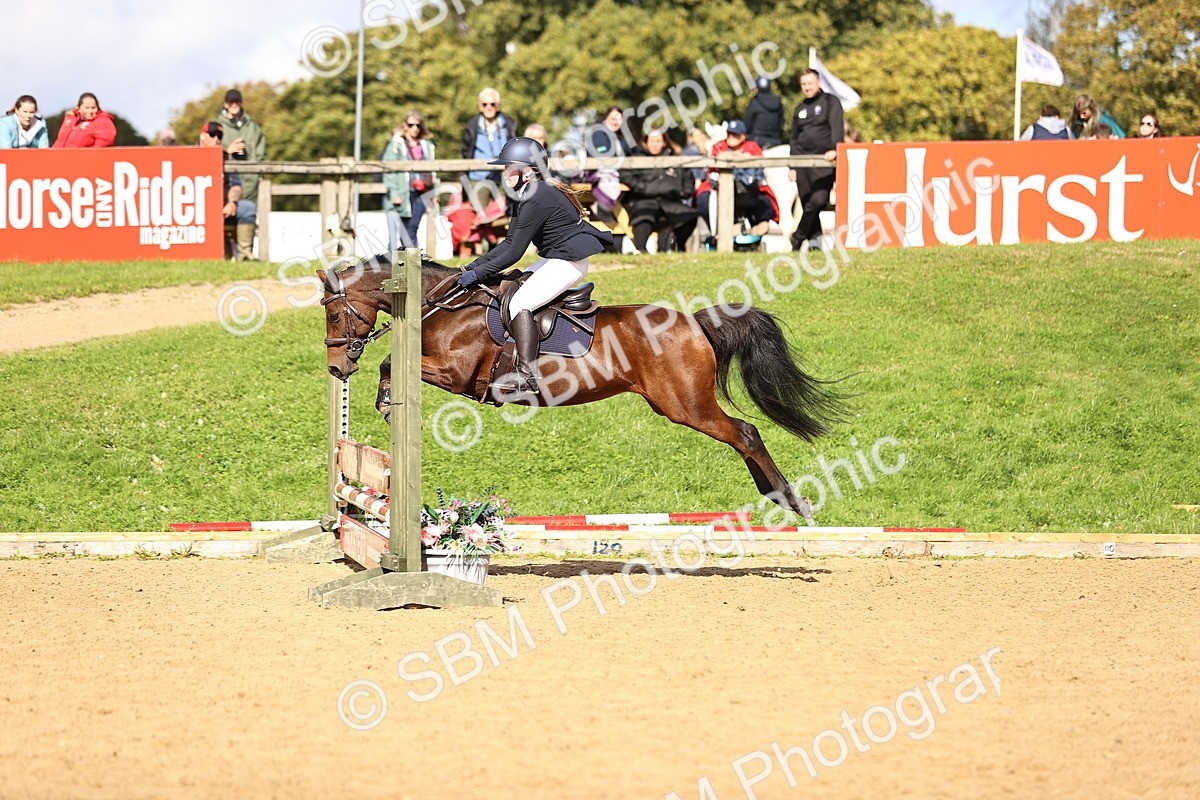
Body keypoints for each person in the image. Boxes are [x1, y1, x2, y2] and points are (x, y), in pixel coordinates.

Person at [455, 137, 614, 396]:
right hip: (557, 258)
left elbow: (515, 253)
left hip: (568, 262)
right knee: (513, 287)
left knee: (520, 304)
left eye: (509, 167)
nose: (504, 172)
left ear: (528, 170)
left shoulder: (536, 196)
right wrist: (472, 267)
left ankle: (527, 376)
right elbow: (508, 243)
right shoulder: (526, 194)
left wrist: (478, 274)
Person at [789, 68, 843, 252]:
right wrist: (793, 165)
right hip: (803, 163)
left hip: (824, 162)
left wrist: (835, 149)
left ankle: (797, 237)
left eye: (810, 83)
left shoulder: (831, 102)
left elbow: (837, 127)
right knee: (806, 203)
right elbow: (794, 138)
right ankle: (815, 244)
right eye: (803, 84)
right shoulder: (800, 109)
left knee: (818, 201)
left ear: (818, 82)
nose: (807, 87)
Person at [696, 120, 775, 239]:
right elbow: (715, 161)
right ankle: (718, 231)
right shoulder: (719, 145)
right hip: (720, 187)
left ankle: (759, 225)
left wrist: (741, 158)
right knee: (704, 199)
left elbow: (759, 165)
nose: (731, 137)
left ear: (743, 136)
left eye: (735, 135)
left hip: (747, 187)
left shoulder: (751, 146)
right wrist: (739, 157)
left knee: (764, 200)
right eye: (729, 134)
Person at [623, 129, 698, 253]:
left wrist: (681, 192)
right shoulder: (636, 158)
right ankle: (641, 249)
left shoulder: (674, 159)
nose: (655, 144)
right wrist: (642, 187)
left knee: (688, 216)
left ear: (664, 142)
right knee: (643, 215)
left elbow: (688, 181)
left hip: (670, 202)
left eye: (658, 141)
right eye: (652, 141)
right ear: (646, 142)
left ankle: (680, 248)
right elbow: (624, 174)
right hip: (643, 200)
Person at [382, 110, 436, 250]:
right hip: (403, 192)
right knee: (400, 232)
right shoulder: (396, 144)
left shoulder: (427, 145)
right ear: (404, 125)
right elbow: (389, 170)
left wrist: (433, 193)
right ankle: (396, 263)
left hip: (422, 191)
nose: (415, 128)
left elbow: (432, 169)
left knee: (413, 228)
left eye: (418, 125)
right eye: (411, 125)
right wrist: (394, 193)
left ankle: (413, 262)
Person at [210, 89, 267, 200]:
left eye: (237, 101)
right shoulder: (215, 126)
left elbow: (261, 153)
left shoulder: (252, 126)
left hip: (251, 187)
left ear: (241, 103)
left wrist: (258, 176)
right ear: (226, 104)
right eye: (231, 102)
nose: (234, 104)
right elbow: (207, 153)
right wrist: (227, 151)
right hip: (226, 187)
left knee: (249, 214)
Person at [461, 88, 518, 196]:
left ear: (498, 106)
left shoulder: (509, 124)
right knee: (480, 211)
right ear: (480, 107)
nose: (489, 107)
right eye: (485, 104)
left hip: (504, 177)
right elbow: (466, 151)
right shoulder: (472, 126)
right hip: (478, 176)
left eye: (492, 104)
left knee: (505, 211)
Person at [199, 122, 244, 259]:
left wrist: (232, 203)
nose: (216, 139)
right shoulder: (188, 155)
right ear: (202, 136)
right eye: (212, 134)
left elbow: (236, 185)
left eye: (219, 136)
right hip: (196, 208)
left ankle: (244, 255)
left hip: (223, 206)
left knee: (247, 209)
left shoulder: (228, 157)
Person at [51, 93, 116, 148]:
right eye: (87, 108)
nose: (90, 111)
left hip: (80, 161)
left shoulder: (103, 122)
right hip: (58, 159)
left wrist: (86, 159)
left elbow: (102, 146)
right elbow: (60, 141)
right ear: (79, 108)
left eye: (93, 108)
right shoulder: (70, 118)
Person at [743, 76, 784, 149]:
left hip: (756, 143)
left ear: (757, 88)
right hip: (775, 142)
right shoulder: (779, 103)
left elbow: (746, 126)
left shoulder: (754, 104)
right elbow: (780, 124)